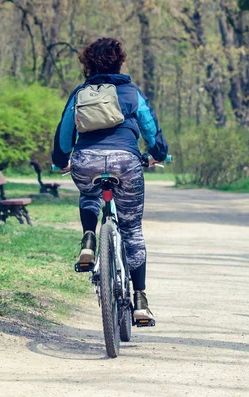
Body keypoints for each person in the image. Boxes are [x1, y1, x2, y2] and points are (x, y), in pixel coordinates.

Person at [51, 37, 168, 322]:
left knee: (89, 194)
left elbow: (64, 134)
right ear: (120, 61)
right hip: (126, 162)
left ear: (87, 64)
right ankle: (139, 299)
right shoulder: (131, 93)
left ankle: (89, 239)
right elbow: (150, 130)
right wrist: (159, 153)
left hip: (86, 161)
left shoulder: (80, 93)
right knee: (132, 231)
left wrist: (60, 161)